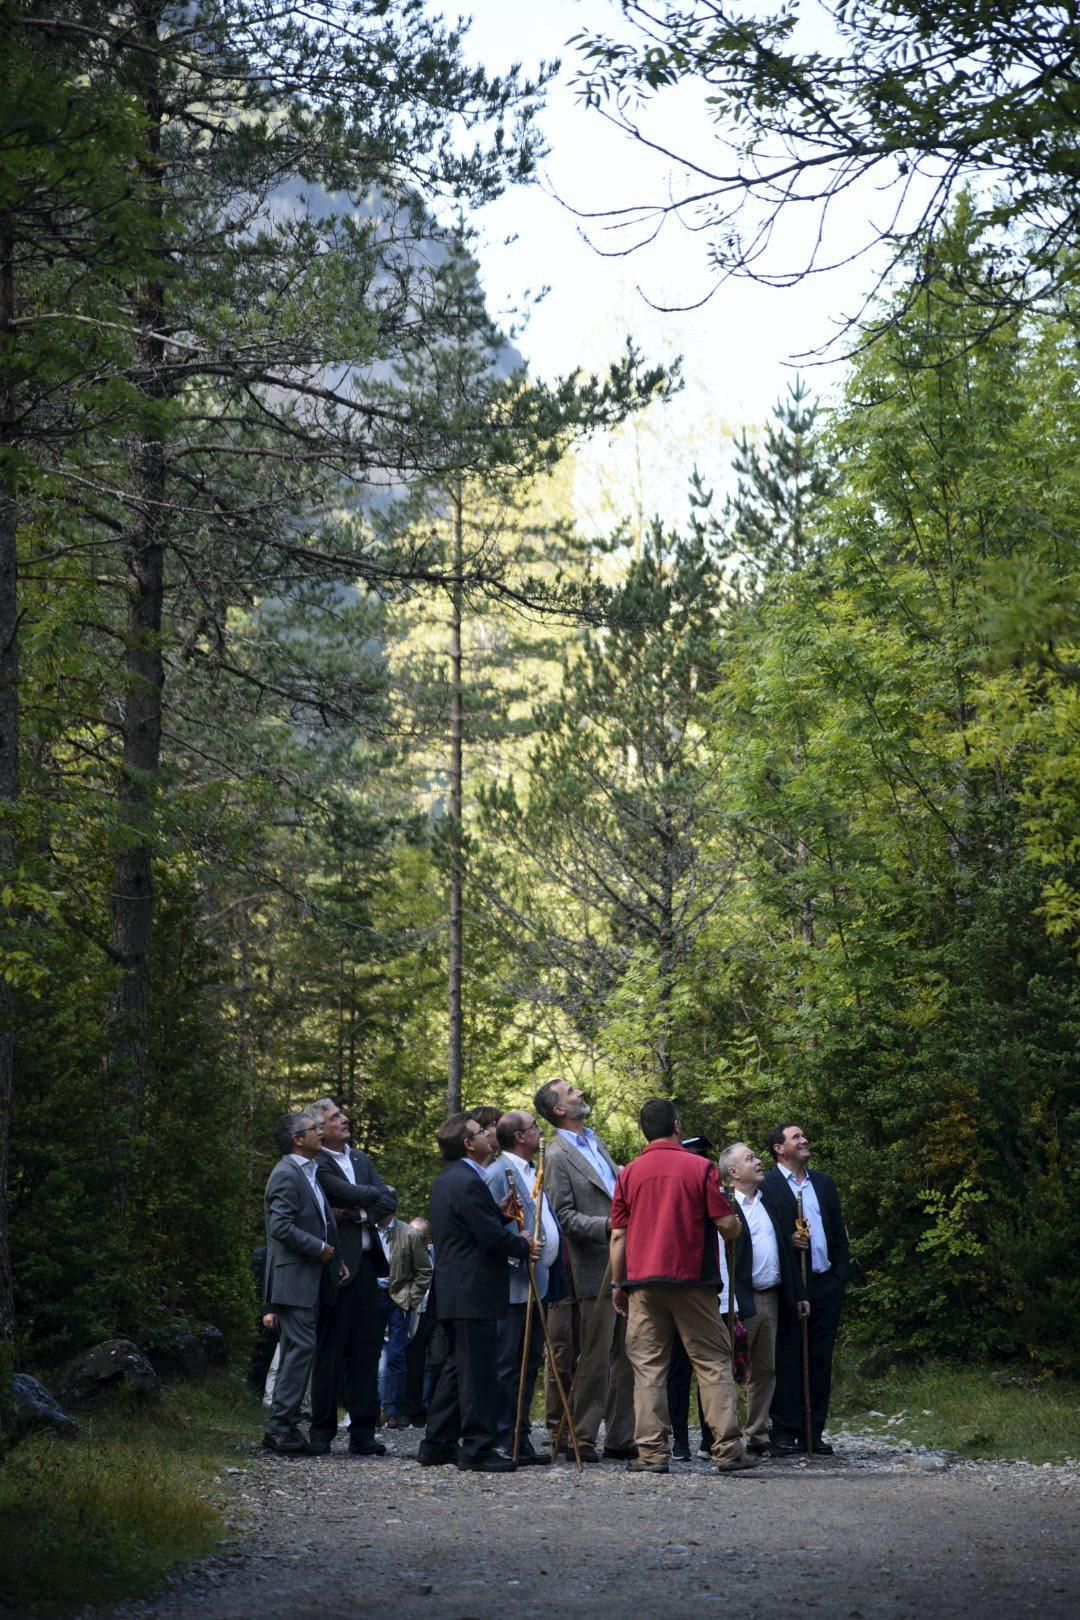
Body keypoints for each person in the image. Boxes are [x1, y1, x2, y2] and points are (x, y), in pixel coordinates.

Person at [609, 1098, 756, 1475]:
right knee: (711, 1363)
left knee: (647, 1367)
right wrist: (736, 1227)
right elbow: (726, 1225)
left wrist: (617, 1283)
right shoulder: (700, 1167)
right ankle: (727, 1450)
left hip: (642, 1282)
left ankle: (652, 1454)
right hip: (692, 1280)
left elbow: (618, 1236)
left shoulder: (629, 1174)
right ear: (676, 1125)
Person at [419, 1112, 541, 1473]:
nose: (489, 1135)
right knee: (477, 1372)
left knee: (458, 1369)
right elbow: (486, 1237)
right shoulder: (468, 1181)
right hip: (472, 1289)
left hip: (458, 1289)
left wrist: (500, 1216)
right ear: (468, 1144)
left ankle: (436, 1442)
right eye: (480, 1132)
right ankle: (477, 1447)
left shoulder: (451, 1179)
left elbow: (474, 1225)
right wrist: (521, 1244)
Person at [535, 1078, 636, 1463]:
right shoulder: (558, 1154)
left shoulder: (596, 1141)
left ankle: (622, 1436)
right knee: (594, 1355)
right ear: (559, 1110)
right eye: (572, 1092)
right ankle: (582, 1435)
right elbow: (562, 1217)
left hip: (627, 1259)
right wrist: (609, 1225)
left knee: (629, 1350)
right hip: (593, 1265)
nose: (580, 1094)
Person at [307, 1097, 397, 1457]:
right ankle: (321, 1430)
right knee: (330, 1351)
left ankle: (363, 1432)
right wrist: (376, 1198)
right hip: (335, 1267)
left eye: (342, 1114)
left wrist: (356, 1213)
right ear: (320, 1129)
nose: (344, 1120)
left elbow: (389, 1201)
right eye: (335, 1117)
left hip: (367, 1268)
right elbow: (360, 1194)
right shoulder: (319, 1163)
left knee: (366, 1348)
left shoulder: (360, 1159)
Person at [761, 1123, 851, 1455]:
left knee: (820, 1358)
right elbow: (764, 1233)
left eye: (803, 1135)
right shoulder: (767, 1186)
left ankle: (814, 1430)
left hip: (826, 1282)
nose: (804, 1140)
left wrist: (841, 1275)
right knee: (787, 1355)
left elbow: (838, 1233)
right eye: (795, 1137)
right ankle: (784, 1429)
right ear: (778, 1148)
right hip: (790, 1283)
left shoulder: (823, 1183)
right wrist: (788, 1241)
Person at [261, 1111, 344, 1456]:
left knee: (299, 1352)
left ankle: (284, 1427)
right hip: (293, 1277)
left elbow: (320, 1221)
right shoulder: (285, 1174)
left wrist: (333, 1262)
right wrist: (319, 1249)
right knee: (299, 1352)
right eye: (314, 1130)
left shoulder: (307, 1172)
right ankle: (281, 1429)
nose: (321, 1133)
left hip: (310, 1276)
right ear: (297, 1138)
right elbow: (280, 1228)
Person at [719, 1140, 808, 1456]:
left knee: (765, 1369)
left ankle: (757, 1435)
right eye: (750, 1158)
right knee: (729, 1369)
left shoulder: (769, 1201)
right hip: (740, 1298)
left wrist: (796, 1292)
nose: (758, 1161)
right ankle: (724, 1437)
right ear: (733, 1172)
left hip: (771, 1295)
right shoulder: (725, 1205)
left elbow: (784, 1249)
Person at [484, 1110, 561, 1463]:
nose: (539, 1131)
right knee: (507, 1364)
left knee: (529, 1364)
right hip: (513, 1285)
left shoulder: (535, 1170)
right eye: (533, 1127)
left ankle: (520, 1434)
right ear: (519, 1136)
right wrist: (519, 1252)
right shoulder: (499, 1173)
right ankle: (502, 1436)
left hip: (538, 1285)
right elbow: (489, 1227)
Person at [375, 1210, 433, 1428]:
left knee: (397, 1357)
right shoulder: (370, 1231)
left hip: (400, 1302)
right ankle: (375, 1410)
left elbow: (424, 1272)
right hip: (375, 1298)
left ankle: (394, 1411)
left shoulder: (407, 1235)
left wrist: (410, 1299)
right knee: (375, 1359)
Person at [403, 1217, 437, 1427]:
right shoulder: (403, 1253)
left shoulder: (437, 1254)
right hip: (413, 1313)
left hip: (434, 1314)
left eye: (420, 1237)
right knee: (412, 1364)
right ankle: (410, 1410)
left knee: (435, 1363)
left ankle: (430, 1408)